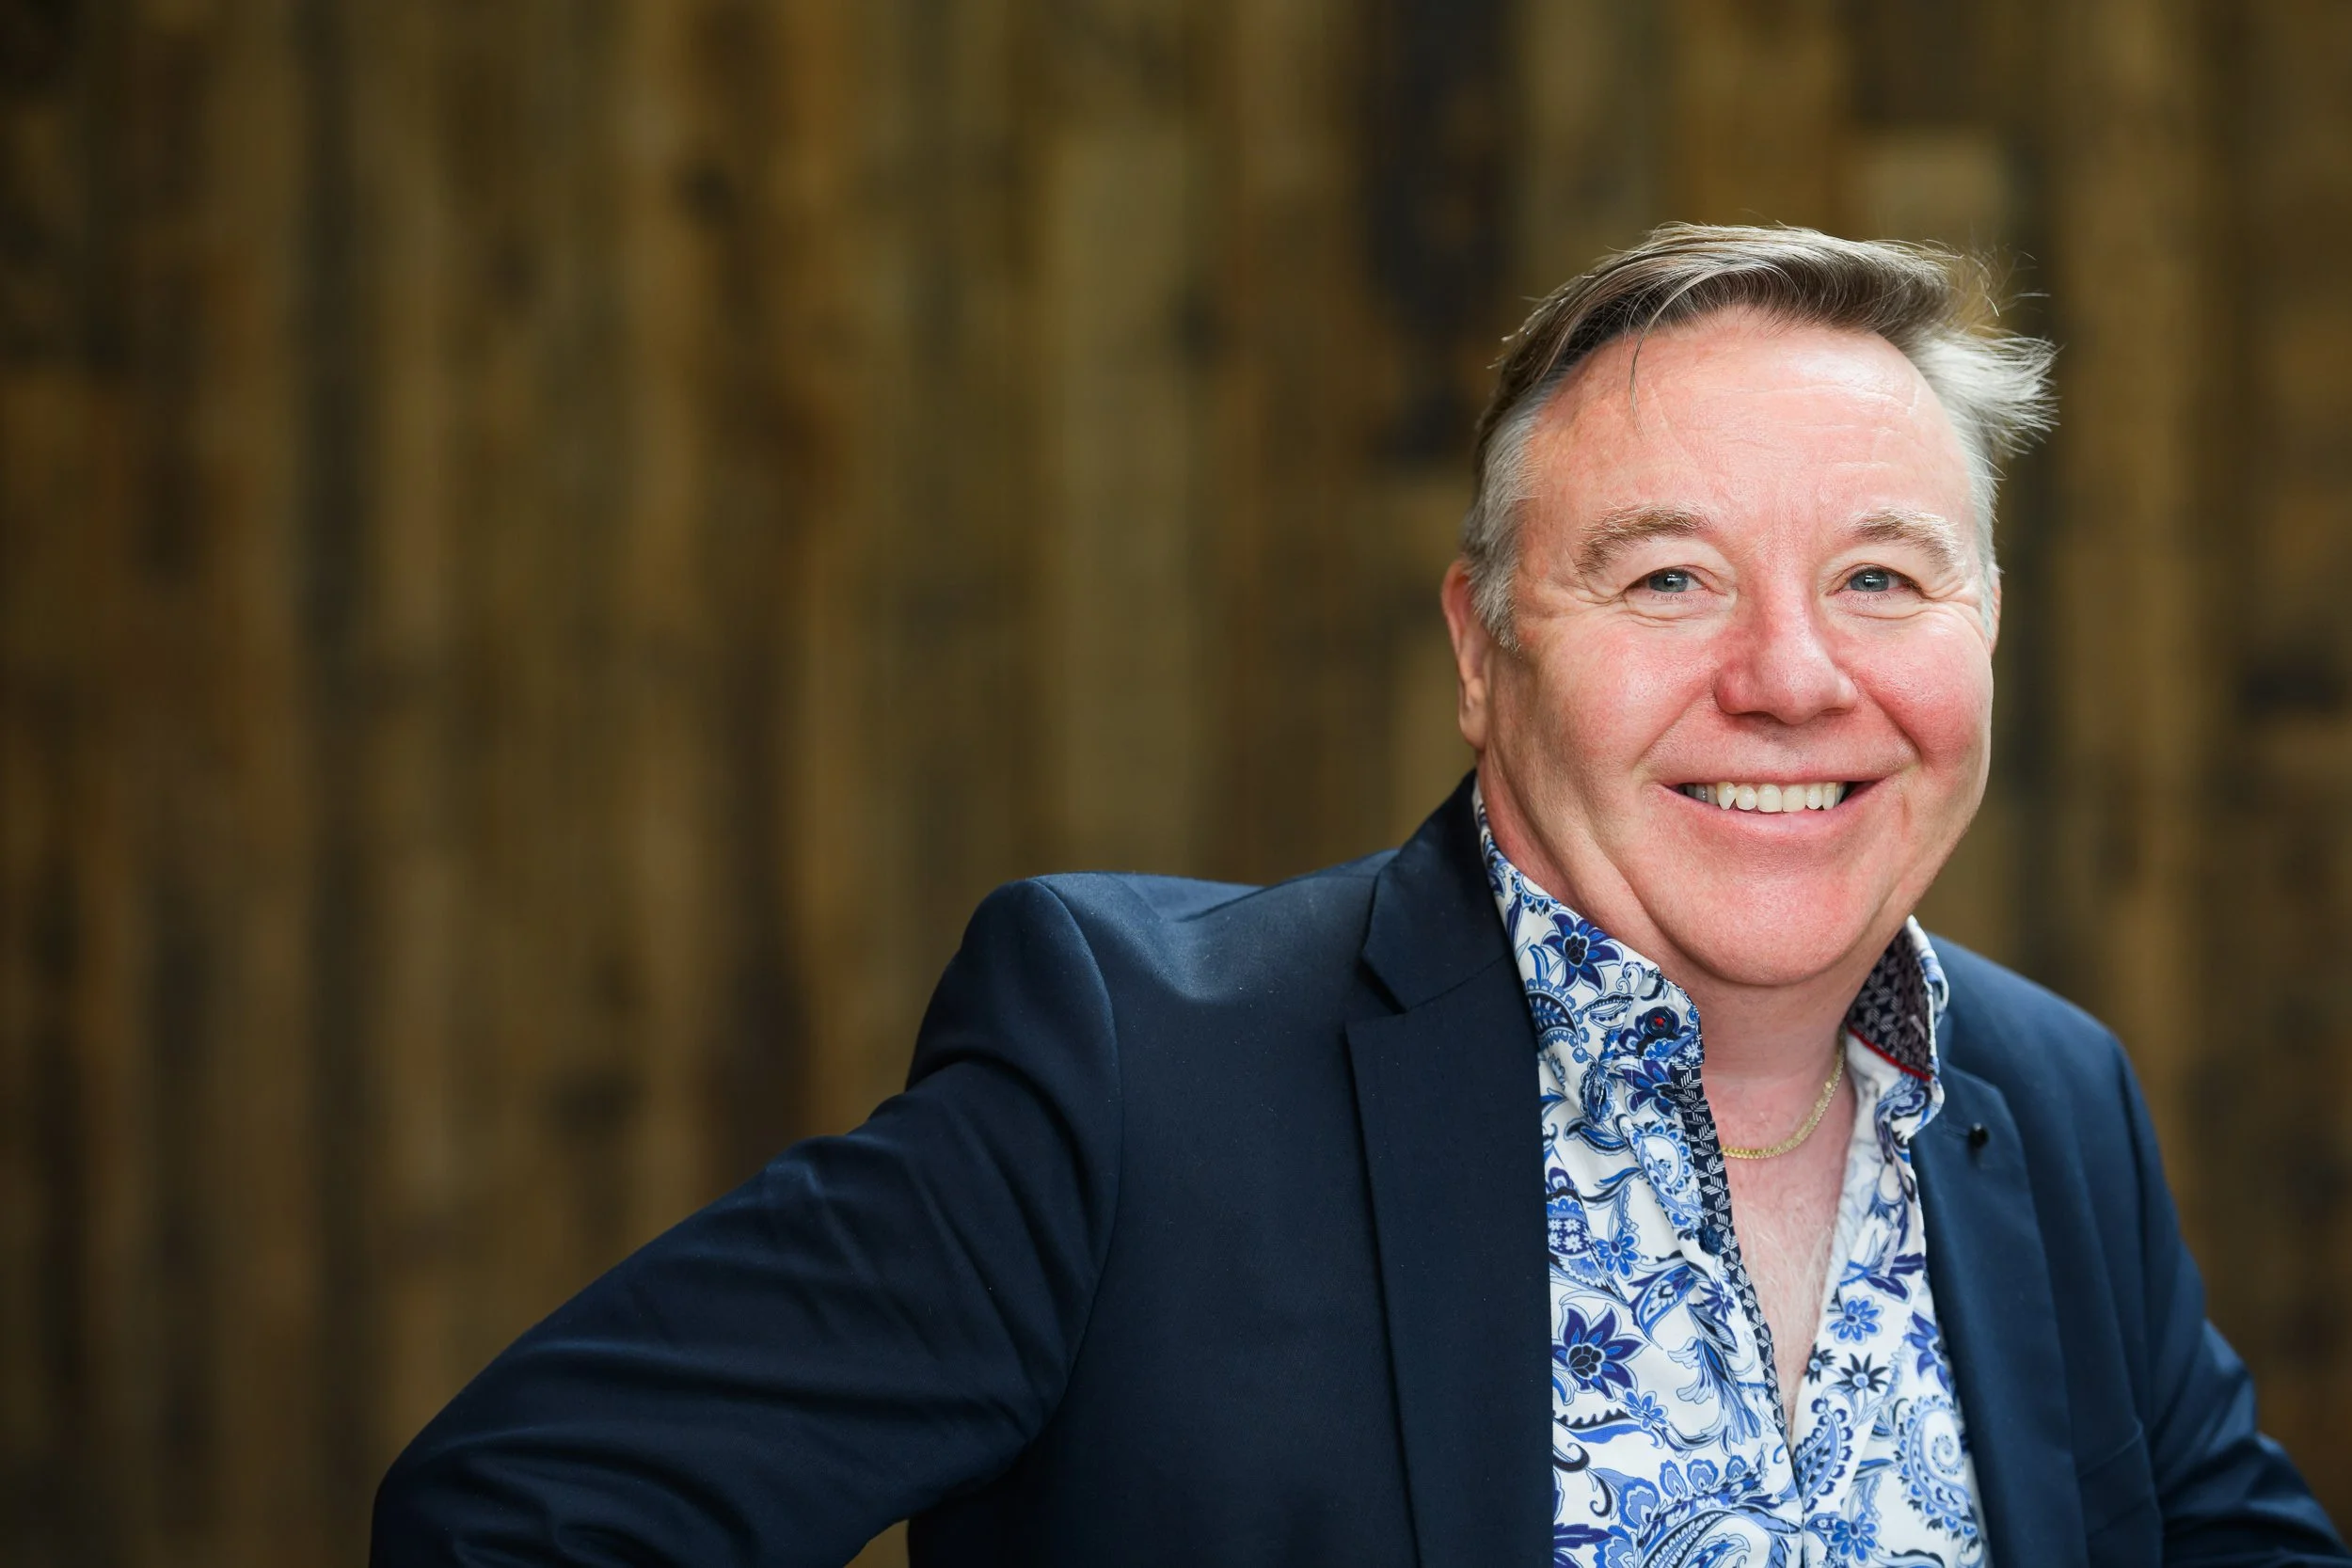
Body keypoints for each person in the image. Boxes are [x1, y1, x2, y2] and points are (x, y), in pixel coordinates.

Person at [372, 226, 2346, 1567]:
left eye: (1884, 577)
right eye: (1664, 576)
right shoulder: (1138, 1065)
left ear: (1986, 635)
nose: (1791, 674)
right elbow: (521, 1514)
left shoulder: (2045, 1094)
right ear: (1482, 653)